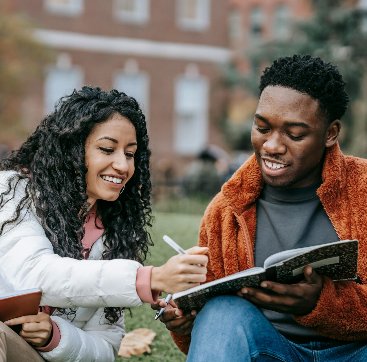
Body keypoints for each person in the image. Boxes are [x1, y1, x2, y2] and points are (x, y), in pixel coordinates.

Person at [153, 54, 367, 361]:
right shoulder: (225, 211)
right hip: (270, 350)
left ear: (330, 133)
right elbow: (216, 336)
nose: (272, 146)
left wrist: (321, 303)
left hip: (356, 351)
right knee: (221, 311)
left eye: (295, 134)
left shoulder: (363, 189)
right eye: (262, 127)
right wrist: (185, 321)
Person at [0, 86, 208, 362]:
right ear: (71, 150)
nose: (123, 165)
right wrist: (149, 279)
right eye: (107, 149)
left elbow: (106, 347)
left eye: (130, 154)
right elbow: (34, 274)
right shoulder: (14, 192)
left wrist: (55, 336)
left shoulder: (114, 235)